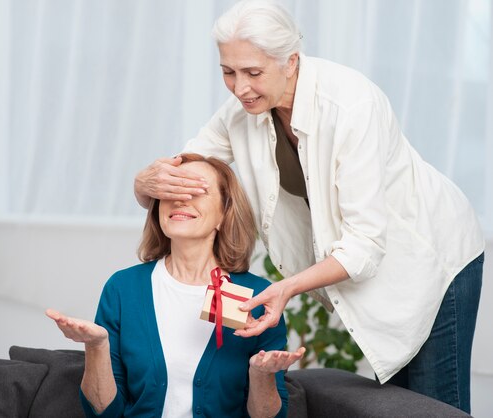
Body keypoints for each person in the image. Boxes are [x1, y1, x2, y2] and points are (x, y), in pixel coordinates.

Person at [133, 0, 485, 413]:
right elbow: (188, 175)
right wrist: (145, 185)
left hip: (432, 254)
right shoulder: (243, 111)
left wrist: (287, 288)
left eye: (253, 72)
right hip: (373, 260)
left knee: (432, 405)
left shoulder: (351, 106)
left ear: (291, 61)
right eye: (228, 72)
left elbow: (366, 244)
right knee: (397, 404)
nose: (240, 87)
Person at [48, 153, 304, 417]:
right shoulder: (123, 288)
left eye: (197, 191)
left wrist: (261, 375)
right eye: (172, 189)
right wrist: (97, 346)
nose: (181, 199)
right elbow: (103, 412)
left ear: (224, 214)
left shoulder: (259, 297)